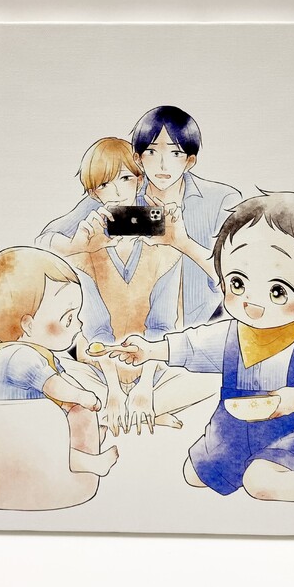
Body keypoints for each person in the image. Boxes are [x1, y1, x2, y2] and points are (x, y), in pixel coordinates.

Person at [107, 191, 294, 503]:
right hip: (234, 432)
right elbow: (192, 346)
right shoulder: (232, 334)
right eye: (238, 283)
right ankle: (247, 466)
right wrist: (148, 350)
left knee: (259, 482)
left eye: (277, 291)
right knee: (193, 474)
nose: (252, 302)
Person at [38, 138, 216, 435]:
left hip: (154, 367)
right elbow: (96, 330)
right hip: (99, 367)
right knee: (56, 375)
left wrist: (144, 388)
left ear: (139, 179)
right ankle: (135, 410)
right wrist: (113, 391)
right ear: (94, 193)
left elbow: (162, 325)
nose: (117, 191)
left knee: (210, 379)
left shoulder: (164, 248)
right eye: (104, 185)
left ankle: (136, 409)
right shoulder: (88, 249)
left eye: (125, 179)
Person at [36, 106, 242, 329]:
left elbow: (239, 275)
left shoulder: (221, 199)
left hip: (208, 322)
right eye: (152, 152)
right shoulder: (122, 191)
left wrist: (183, 244)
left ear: (190, 161)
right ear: (138, 157)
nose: (163, 165)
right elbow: (44, 241)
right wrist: (76, 246)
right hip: (134, 330)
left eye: (175, 153)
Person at [0, 246, 119, 478]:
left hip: (21, 420)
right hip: (3, 428)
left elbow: (61, 377)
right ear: (28, 325)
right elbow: (53, 384)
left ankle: (84, 442)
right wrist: (81, 396)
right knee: (47, 443)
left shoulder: (37, 353)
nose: (79, 324)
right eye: (68, 318)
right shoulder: (18, 355)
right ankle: (89, 462)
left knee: (65, 418)